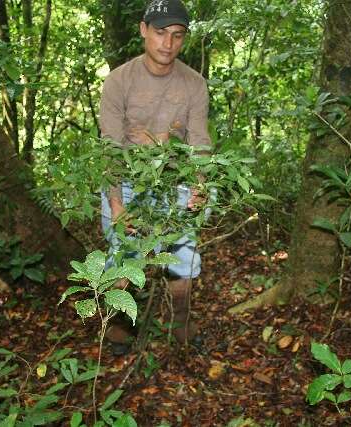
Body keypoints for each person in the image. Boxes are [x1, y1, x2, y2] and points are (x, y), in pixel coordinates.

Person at [99, 0, 210, 349]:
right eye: (160, 33)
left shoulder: (193, 84)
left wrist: (200, 185)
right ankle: (119, 329)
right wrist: (117, 204)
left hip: (174, 181)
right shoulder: (119, 81)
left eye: (177, 36)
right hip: (127, 183)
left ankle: (181, 324)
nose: (168, 43)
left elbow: (199, 142)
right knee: (124, 255)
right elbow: (110, 147)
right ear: (144, 30)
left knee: (184, 257)